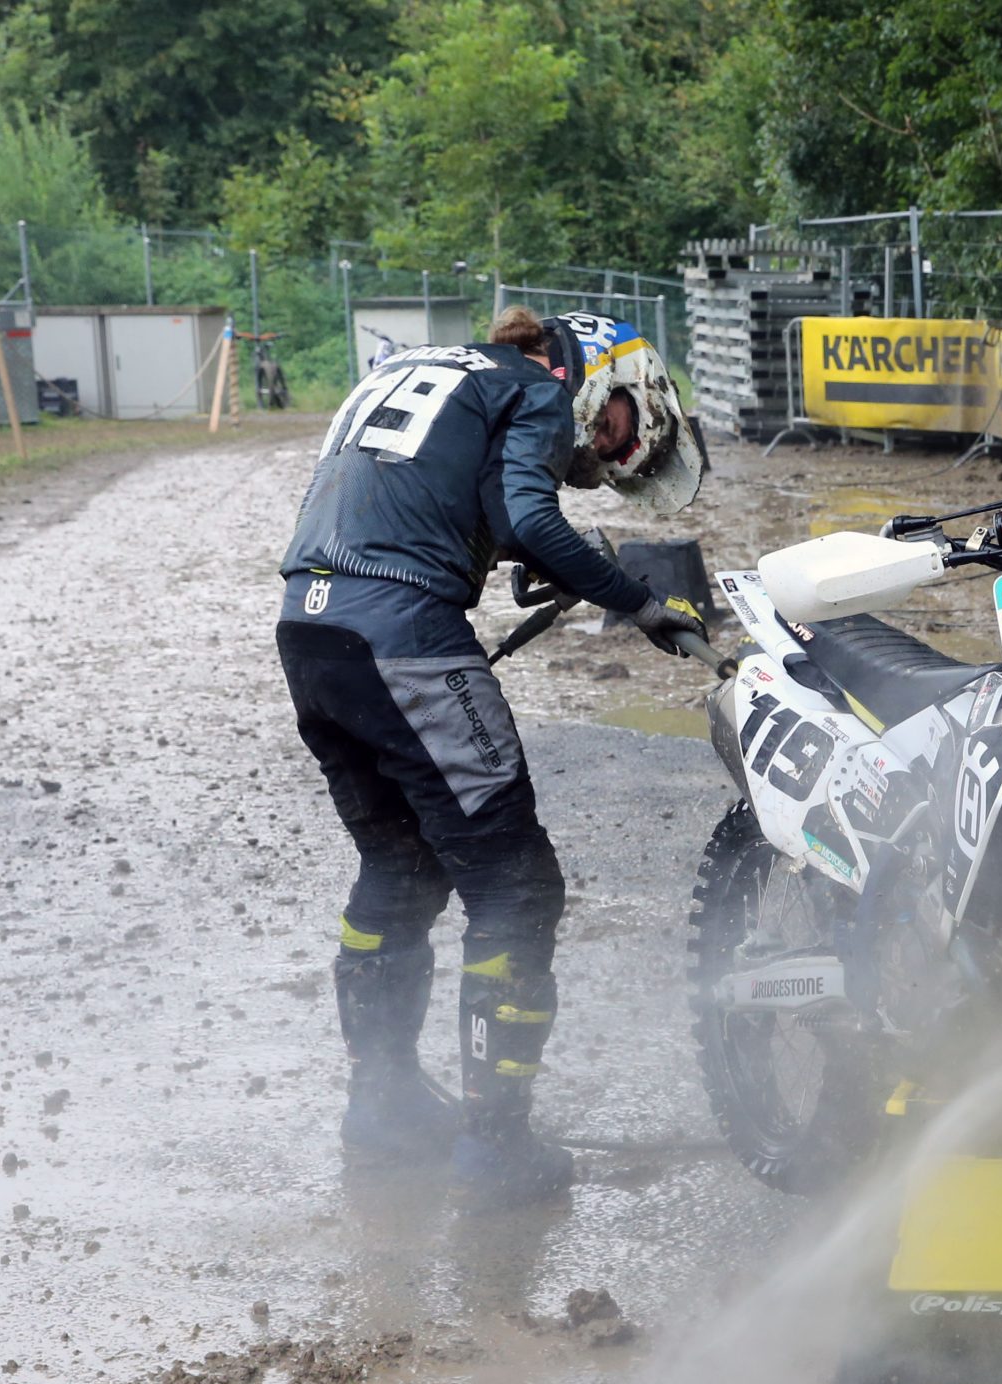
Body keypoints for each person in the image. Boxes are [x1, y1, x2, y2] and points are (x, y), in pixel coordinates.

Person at [277, 304, 710, 1195]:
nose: (613, 446)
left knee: (399, 869)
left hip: (310, 629)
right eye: (624, 420)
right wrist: (637, 602)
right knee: (516, 885)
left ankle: (382, 1105)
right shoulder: (539, 388)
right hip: (404, 632)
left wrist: (529, 549)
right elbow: (527, 518)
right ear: (598, 371)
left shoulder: (421, 371)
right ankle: (496, 1149)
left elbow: (448, 505)